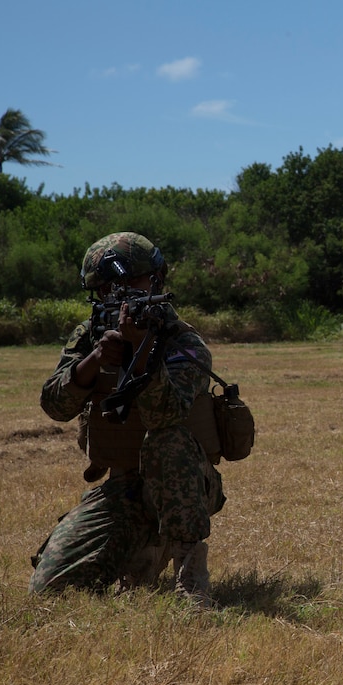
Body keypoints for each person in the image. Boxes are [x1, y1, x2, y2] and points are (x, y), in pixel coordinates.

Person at [30, 232, 224, 602]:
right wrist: (96, 360)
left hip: (186, 482)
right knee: (51, 588)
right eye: (107, 288)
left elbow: (166, 414)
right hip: (123, 486)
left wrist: (143, 349)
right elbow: (55, 406)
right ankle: (143, 551)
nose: (119, 296)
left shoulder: (182, 342)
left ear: (155, 280)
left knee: (166, 440)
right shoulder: (89, 336)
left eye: (130, 283)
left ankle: (189, 572)